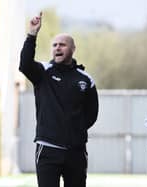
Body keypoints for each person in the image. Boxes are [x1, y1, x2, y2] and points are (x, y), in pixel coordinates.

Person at [19, 12, 99, 187]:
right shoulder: (43, 72)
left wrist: (75, 129)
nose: (57, 48)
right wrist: (32, 34)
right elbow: (24, 64)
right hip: (48, 148)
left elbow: (92, 114)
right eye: (54, 45)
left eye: (62, 45)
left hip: (76, 151)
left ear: (72, 49)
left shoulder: (85, 79)